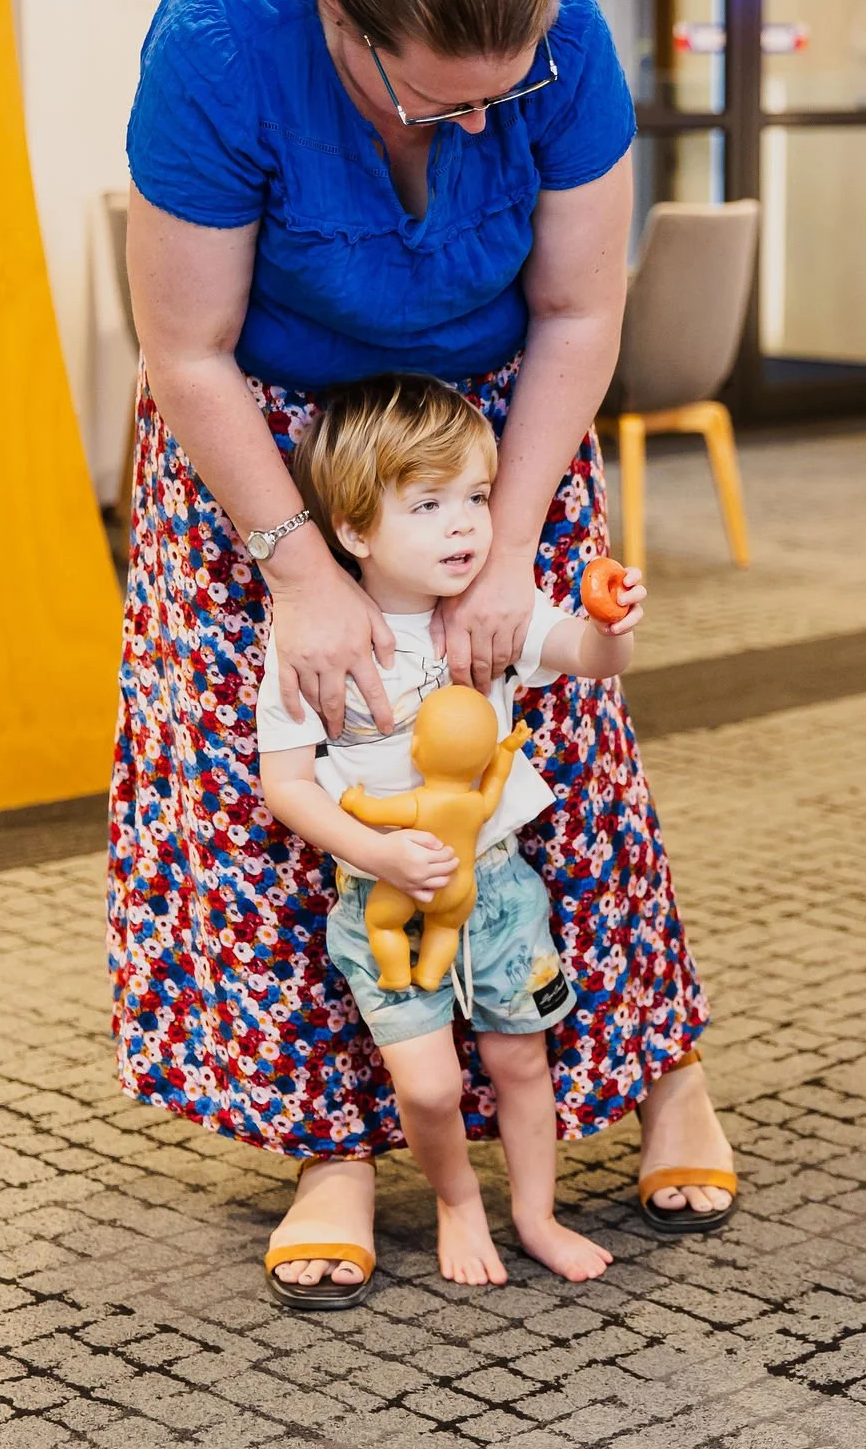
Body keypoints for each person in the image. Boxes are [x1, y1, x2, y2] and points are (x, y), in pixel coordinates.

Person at [109, 0, 736, 1310]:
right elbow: (186, 346)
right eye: (437, 97)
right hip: (264, 443)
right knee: (271, 800)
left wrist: (510, 542)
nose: (474, 129)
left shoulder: (564, 34)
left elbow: (579, 312)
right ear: (344, 16)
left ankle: (663, 1080)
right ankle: (329, 1145)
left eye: (500, 100)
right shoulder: (221, 40)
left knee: (561, 770)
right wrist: (298, 570)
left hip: (494, 435)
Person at [257, 373, 646, 1300]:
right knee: (429, 1087)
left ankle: (536, 1215)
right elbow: (286, 786)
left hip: (502, 890)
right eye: (429, 505)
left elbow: (589, 661)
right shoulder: (313, 640)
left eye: (475, 496)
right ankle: (458, 1199)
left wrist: (613, 626)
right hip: (383, 903)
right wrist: (379, 853)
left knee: (521, 1060)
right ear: (353, 530)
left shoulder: (489, 613)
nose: (467, 526)